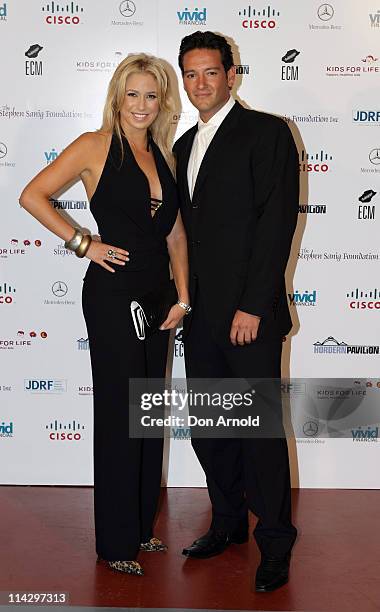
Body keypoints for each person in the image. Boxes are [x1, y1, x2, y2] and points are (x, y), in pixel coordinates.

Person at [19, 53, 190, 576]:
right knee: (120, 411)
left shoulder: (163, 153)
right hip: (113, 293)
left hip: (160, 295)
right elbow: (33, 195)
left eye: (152, 95)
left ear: (163, 102)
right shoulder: (95, 147)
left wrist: (182, 298)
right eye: (133, 94)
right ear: (118, 97)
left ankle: (141, 526)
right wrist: (83, 243)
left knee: (147, 410)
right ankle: (116, 543)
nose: (141, 105)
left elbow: (177, 233)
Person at [173, 31, 299, 592]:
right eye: (191, 74)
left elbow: (276, 225)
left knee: (259, 434)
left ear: (231, 75)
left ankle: (274, 541)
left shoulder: (266, 133)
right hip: (199, 317)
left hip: (249, 318)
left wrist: (252, 306)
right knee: (211, 428)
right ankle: (227, 522)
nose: (201, 83)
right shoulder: (179, 147)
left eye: (210, 72)